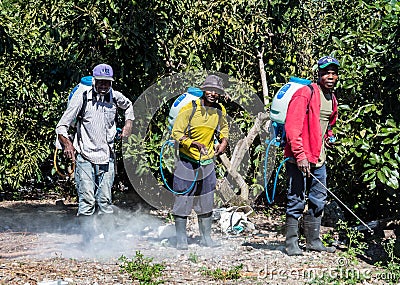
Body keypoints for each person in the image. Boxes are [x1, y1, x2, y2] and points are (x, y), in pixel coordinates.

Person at [56, 63, 134, 242]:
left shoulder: (115, 97)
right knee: (87, 201)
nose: (104, 86)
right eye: (100, 82)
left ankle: (108, 243)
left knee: (105, 201)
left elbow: (128, 106)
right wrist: (67, 143)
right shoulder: (81, 97)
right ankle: (88, 242)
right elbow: (61, 126)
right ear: (94, 81)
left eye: (107, 83)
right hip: (85, 157)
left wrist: (128, 124)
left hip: (107, 157)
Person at [284, 56, 339, 256]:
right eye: (326, 73)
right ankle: (291, 243)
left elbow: (327, 125)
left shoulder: (332, 98)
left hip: (319, 157)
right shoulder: (304, 94)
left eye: (333, 73)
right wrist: (300, 155)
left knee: (318, 199)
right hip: (299, 157)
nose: (330, 77)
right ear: (319, 74)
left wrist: (329, 138)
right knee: (296, 198)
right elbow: (292, 128)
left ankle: (313, 241)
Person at [171, 75, 229, 250]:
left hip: (207, 161)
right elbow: (177, 132)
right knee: (183, 197)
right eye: (210, 90)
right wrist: (193, 143)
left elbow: (224, 127)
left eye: (216, 91)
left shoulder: (220, 110)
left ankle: (206, 237)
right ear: (203, 90)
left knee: (206, 198)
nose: (212, 94)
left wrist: (224, 141)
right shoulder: (190, 108)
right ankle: (181, 239)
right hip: (187, 160)